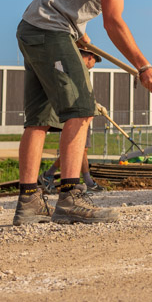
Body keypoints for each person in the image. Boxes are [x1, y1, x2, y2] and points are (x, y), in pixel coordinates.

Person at [13, 0, 152, 226]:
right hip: (50, 31)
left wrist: (83, 38)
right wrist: (144, 66)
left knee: (39, 120)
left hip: (33, 29)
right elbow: (113, 21)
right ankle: (71, 198)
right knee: (82, 111)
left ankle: (29, 201)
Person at [39, 49, 105, 194]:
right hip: (76, 114)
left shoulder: (76, 68)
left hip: (81, 112)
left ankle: (86, 180)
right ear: (90, 57)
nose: (93, 65)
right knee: (76, 147)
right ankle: (50, 175)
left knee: (82, 149)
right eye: (94, 61)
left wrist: (94, 104)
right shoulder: (73, 67)